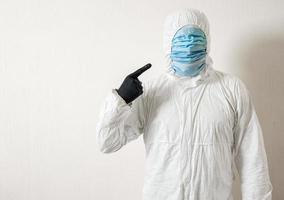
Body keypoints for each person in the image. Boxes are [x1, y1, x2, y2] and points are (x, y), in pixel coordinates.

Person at [96, 8, 273, 200]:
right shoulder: (152, 92)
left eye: (195, 38)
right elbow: (107, 142)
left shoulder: (231, 89)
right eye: (181, 40)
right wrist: (120, 100)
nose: (189, 47)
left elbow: (253, 161)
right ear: (167, 42)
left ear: (207, 40)